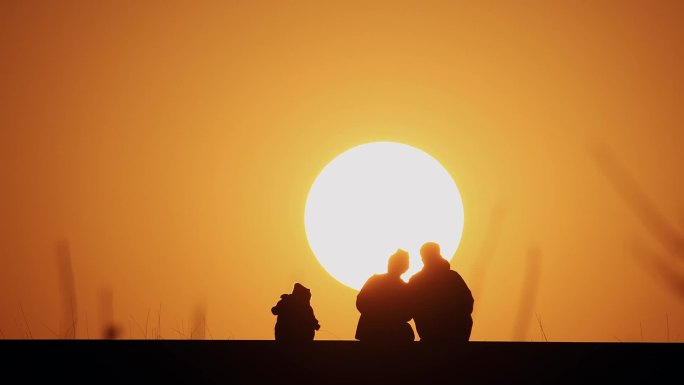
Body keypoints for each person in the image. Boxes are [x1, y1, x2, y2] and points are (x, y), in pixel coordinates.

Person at [408, 242, 474, 342]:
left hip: (432, 333)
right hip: (455, 333)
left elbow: (409, 310)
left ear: (423, 258)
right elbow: (468, 302)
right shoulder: (453, 277)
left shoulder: (416, 281)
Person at [355, 249, 414, 343]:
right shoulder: (405, 288)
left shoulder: (374, 280)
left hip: (370, 332)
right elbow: (408, 315)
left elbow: (360, 303)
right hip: (393, 334)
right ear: (405, 267)